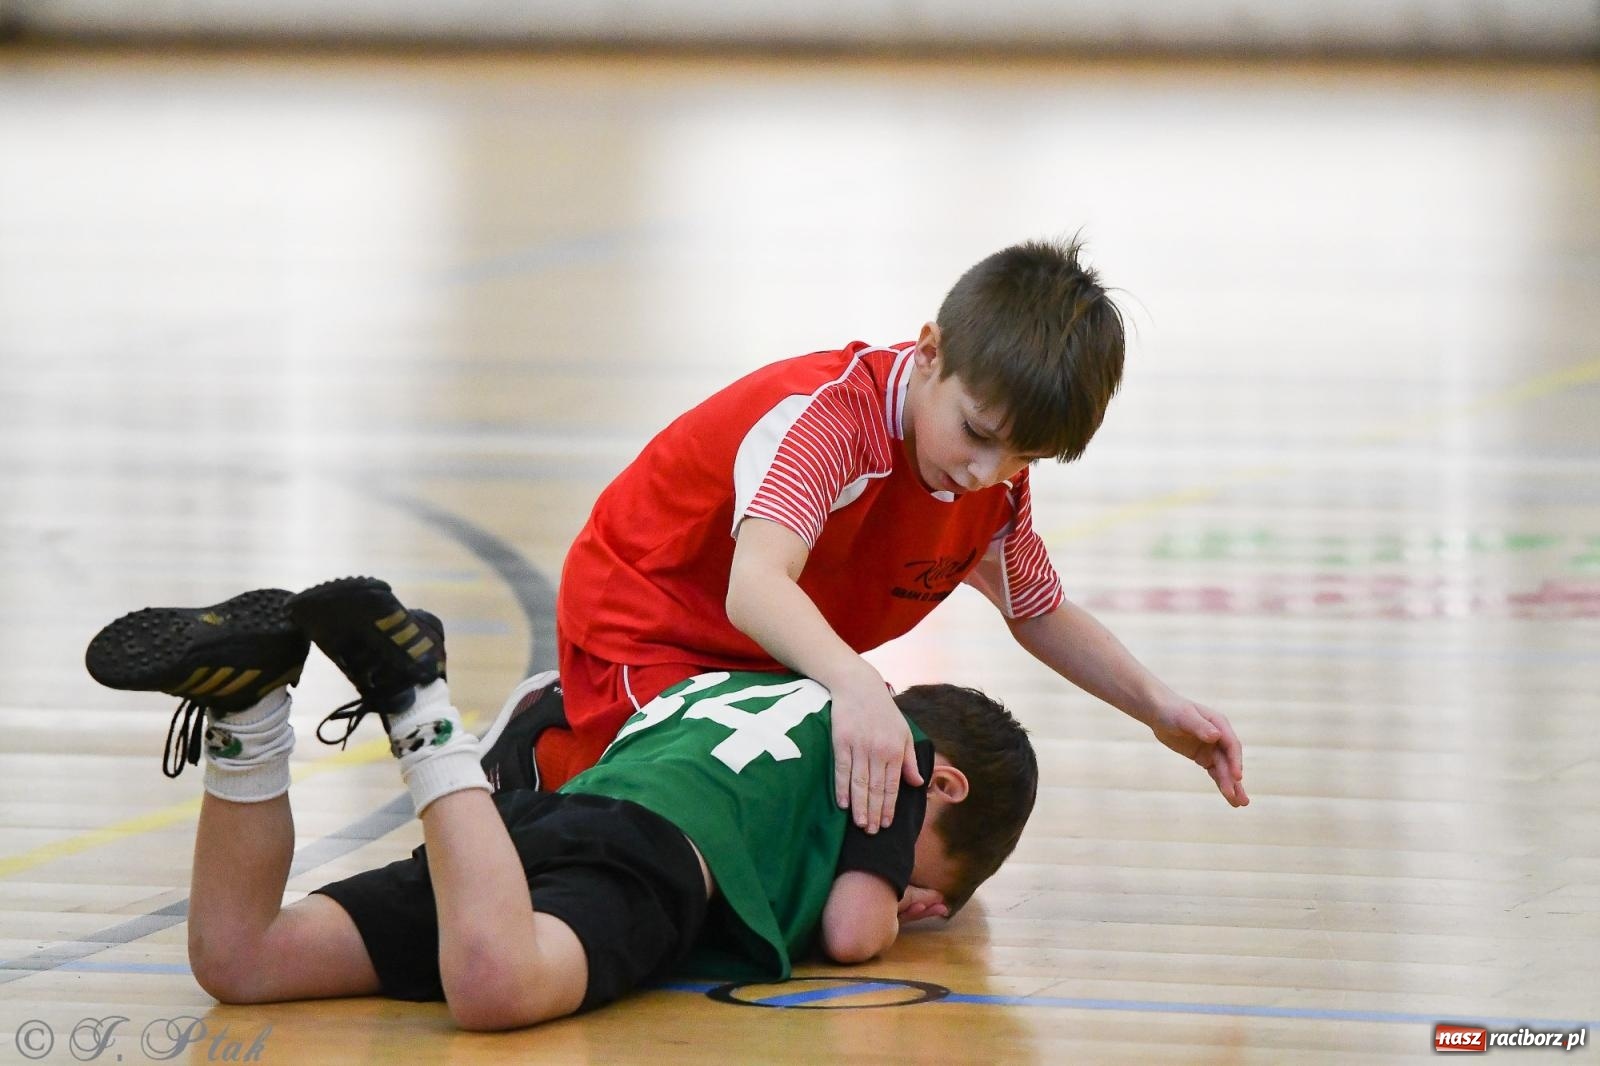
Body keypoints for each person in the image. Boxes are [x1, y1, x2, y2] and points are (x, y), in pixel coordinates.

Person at [493, 237, 1248, 832]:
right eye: (978, 434)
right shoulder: (830, 420)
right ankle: (547, 743)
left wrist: (1159, 706)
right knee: (734, 821)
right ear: (929, 353)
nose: (990, 472)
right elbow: (756, 585)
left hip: (770, 664)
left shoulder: (992, 480)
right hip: (647, 631)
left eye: (1024, 456)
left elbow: (1037, 609)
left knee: (922, 793)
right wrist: (855, 684)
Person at [84, 577, 1037, 1031]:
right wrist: (897, 907)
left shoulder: (748, 685)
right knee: (497, 985)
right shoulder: (897, 754)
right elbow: (853, 927)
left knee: (243, 960)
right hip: (657, 860)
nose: (914, 879)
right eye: (932, 874)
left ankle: (249, 716)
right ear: (941, 784)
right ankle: (418, 706)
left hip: (532, 833)